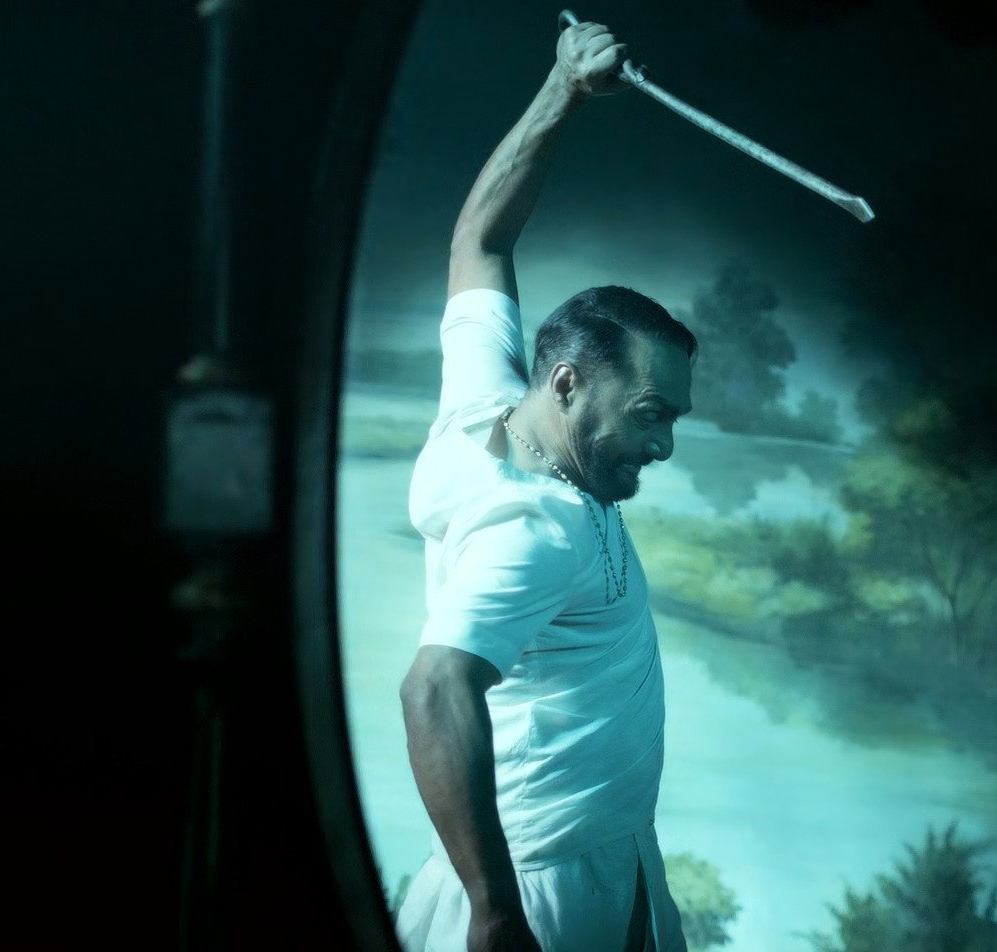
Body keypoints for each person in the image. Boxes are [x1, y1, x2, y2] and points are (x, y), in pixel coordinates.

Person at [394, 19, 696, 952]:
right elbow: (434, 687)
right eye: (650, 413)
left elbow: (479, 239)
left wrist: (562, 89)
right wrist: (496, 914)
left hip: (610, 855)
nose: (664, 444)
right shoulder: (536, 528)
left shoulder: (483, 402)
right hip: (550, 893)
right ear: (566, 384)